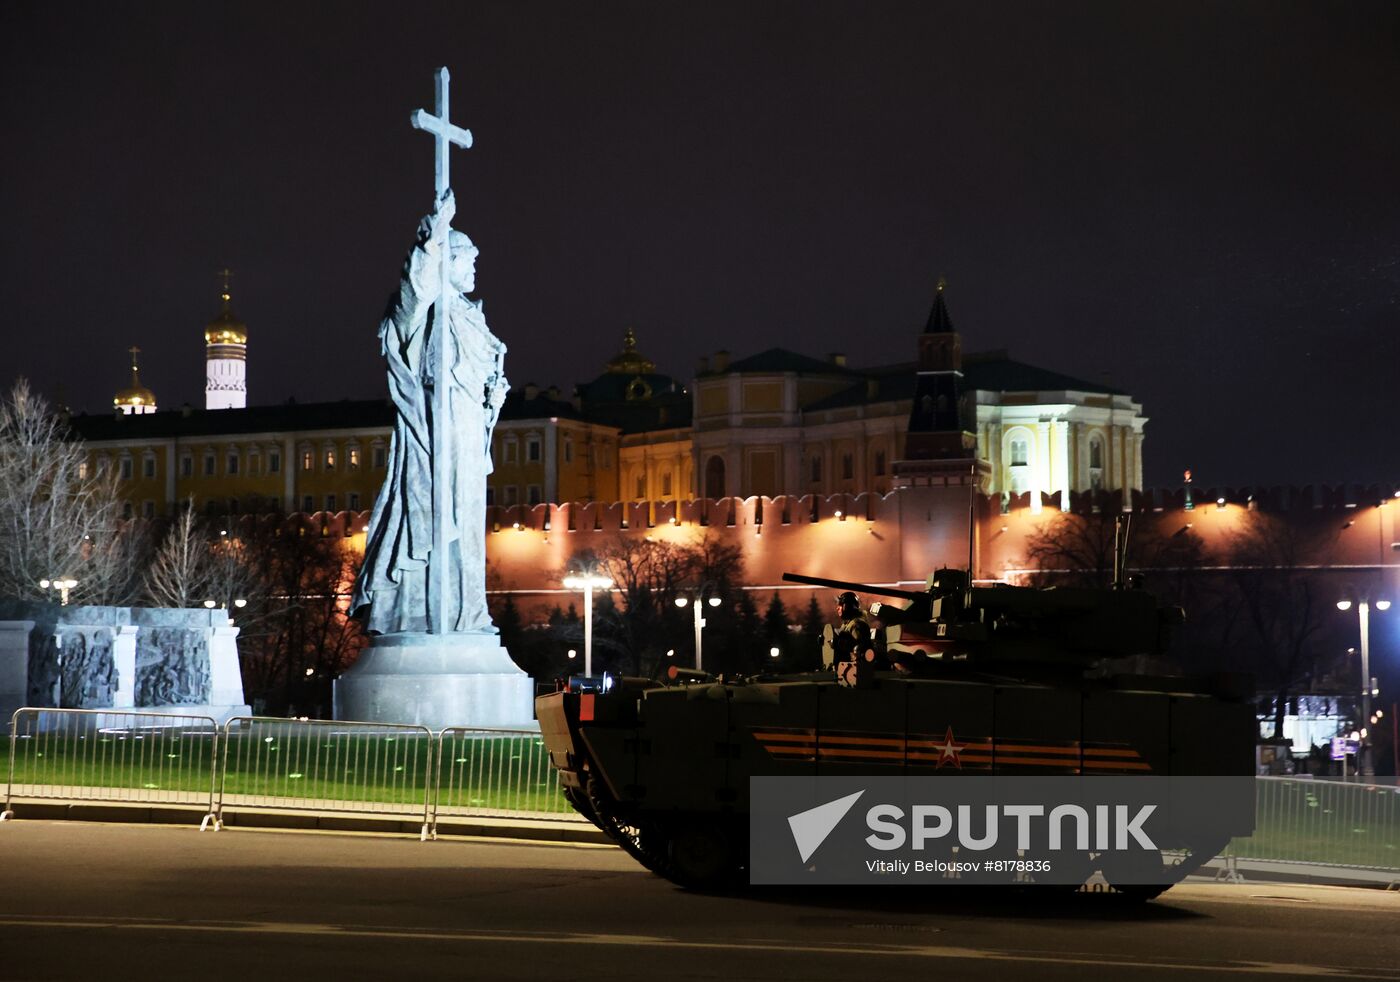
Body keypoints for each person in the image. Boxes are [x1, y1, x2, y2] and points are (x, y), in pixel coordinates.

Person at [352, 190, 509, 635]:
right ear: (446, 262)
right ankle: (420, 614)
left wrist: (491, 402)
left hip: (468, 435)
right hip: (434, 436)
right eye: (466, 259)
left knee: (468, 527)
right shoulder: (424, 310)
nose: (475, 266)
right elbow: (413, 291)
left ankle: (467, 614)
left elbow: (475, 379)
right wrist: (434, 233)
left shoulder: (473, 317)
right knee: (434, 518)